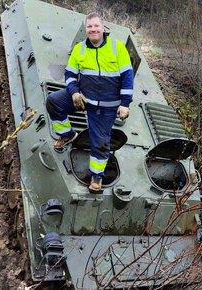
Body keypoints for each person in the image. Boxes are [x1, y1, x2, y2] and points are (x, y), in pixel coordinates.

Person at [46, 12, 133, 192]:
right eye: (89, 27)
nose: (93, 29)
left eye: (96, 26)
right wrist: (74, 93)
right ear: (86, 29)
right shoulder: (80, 49)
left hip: (107, 105)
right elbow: (70, 74)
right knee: (54, 102)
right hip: (84, 99)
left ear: (102, 28)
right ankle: (68, 134)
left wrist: (125, 103)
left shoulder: (117, 48)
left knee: (100, 142)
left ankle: (96, 175)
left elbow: (127, 76)